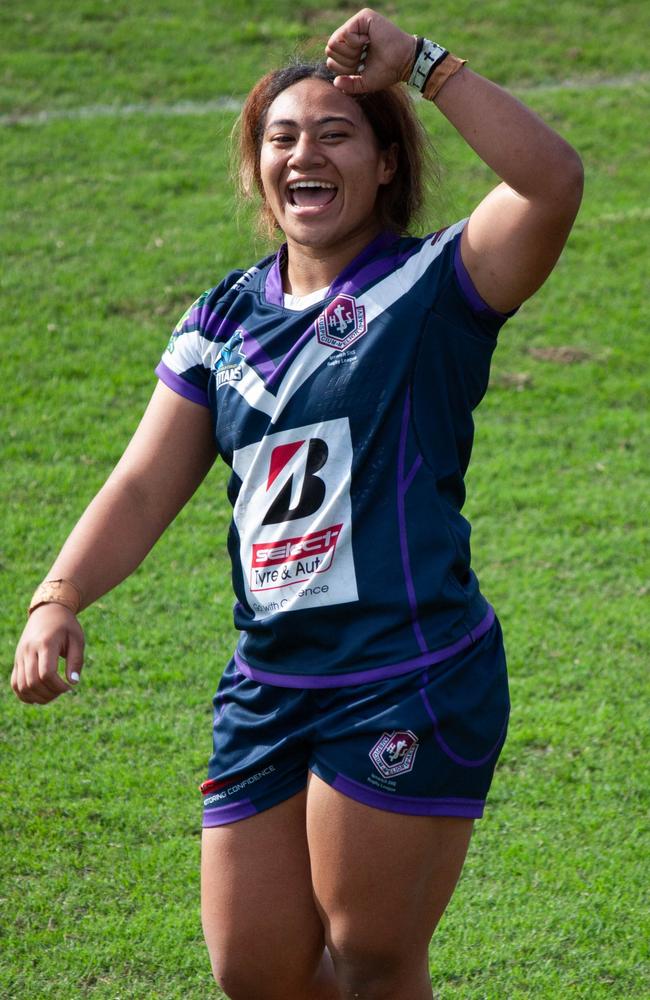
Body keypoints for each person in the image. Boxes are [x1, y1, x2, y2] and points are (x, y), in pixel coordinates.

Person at [12, 8, 583, 999]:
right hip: (270, 681)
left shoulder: (433, 283)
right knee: (258, 971)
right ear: (256, 166)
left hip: (404, 669)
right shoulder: (221, 320)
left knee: (370, 960)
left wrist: (425, 67)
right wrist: (56, 596)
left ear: (384, 167)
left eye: (334, 133)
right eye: (280, 137)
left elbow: (551, 182)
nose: (303, 153)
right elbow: (146, 480)